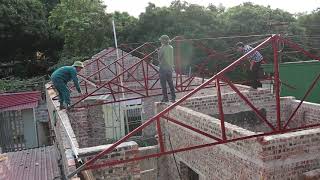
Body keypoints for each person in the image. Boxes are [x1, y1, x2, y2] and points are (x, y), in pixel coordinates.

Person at [158, 35, 176, 102]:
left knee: (163, 84)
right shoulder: (171, 47)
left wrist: (159, 50)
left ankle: (165, 98)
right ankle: (173, 98)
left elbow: (159, 58)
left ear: (162, 41)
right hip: (170, 68)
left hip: (163, 68)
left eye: (161, 41)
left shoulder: (162, 48)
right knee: (170, 83)